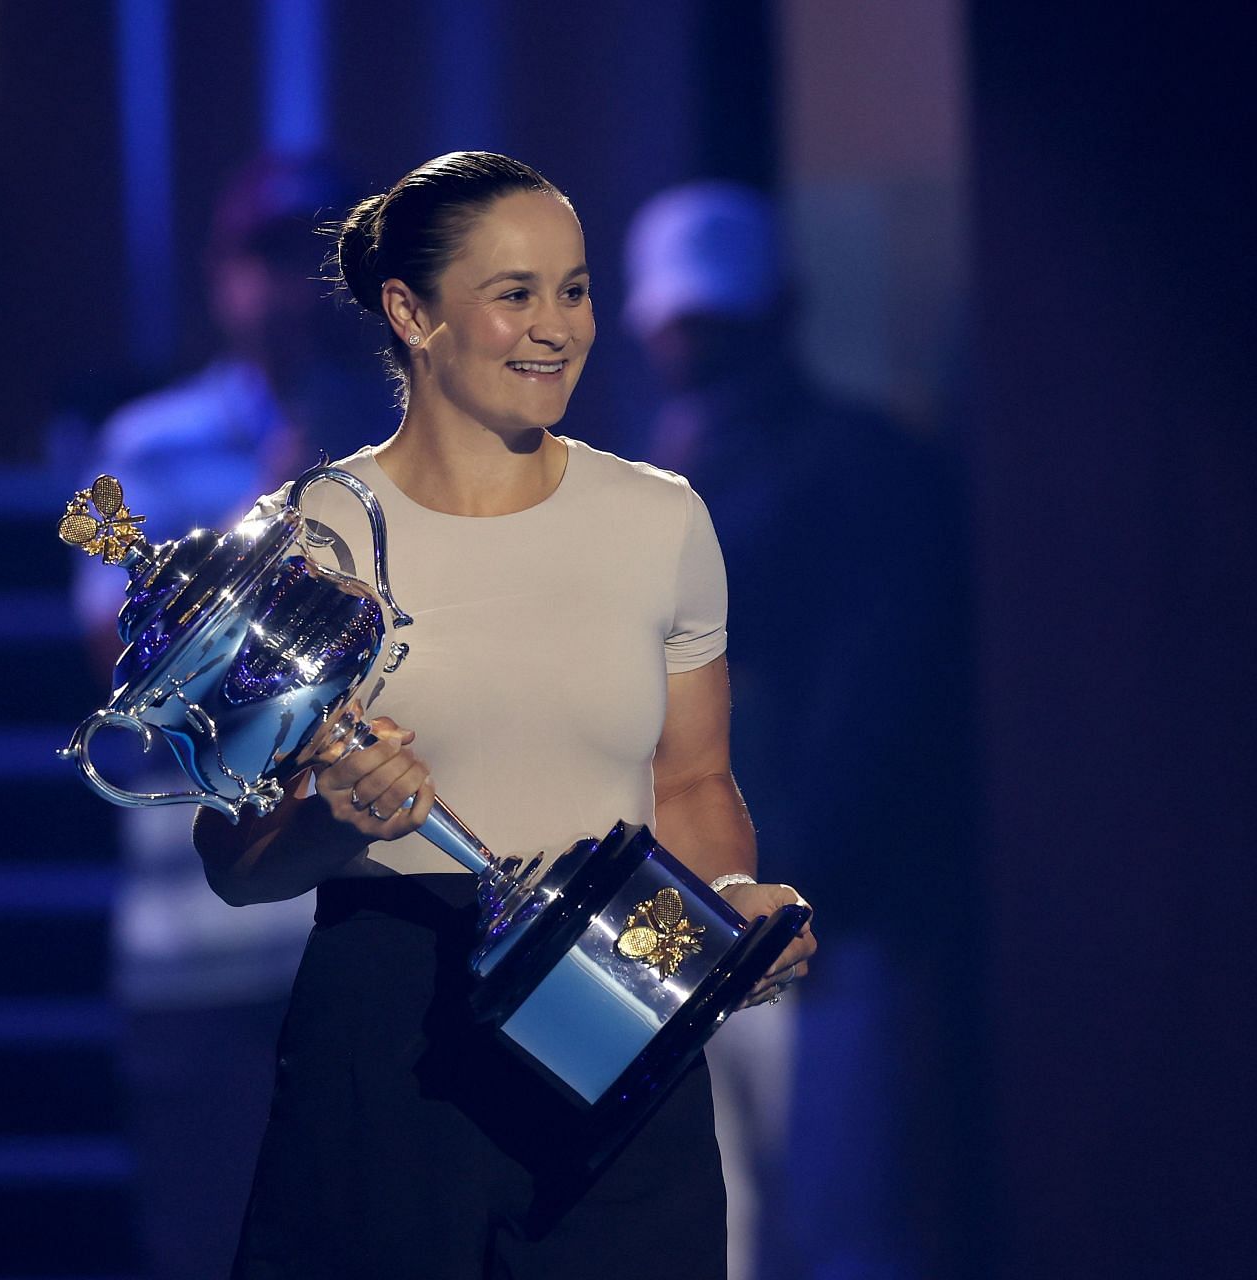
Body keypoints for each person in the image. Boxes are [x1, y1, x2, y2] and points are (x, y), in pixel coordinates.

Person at [190, 152, 819, 1279]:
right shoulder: (314, 527)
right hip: (385, 1030)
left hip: (622, 983)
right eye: (514, 292)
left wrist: (728, 914)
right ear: (410, 312)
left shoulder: (661, 517)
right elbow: (234, 856)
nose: (556, 327)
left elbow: (692, 785)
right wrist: (335, 822)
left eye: (574, 289)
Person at [626, 182, 973, 1280]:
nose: (702, 349)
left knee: (831, 1226)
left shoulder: (854, 471)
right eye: (690, 327)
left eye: (717, 324)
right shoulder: (657, 484)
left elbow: (868, 718)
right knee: (732, 1231)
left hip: (815, 917)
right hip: (699, 917)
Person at [73, 153, 395, 1280]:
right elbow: (117, 659)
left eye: (315, 258)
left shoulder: (417, 451)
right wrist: (270, 523)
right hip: (198, 934)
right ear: (219, 276)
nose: (285, 287)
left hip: (371, 928)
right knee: (213, 1241)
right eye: (263, 253)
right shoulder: (147, 446)